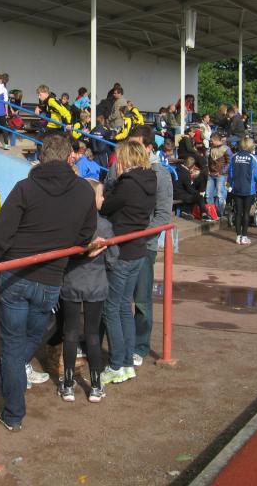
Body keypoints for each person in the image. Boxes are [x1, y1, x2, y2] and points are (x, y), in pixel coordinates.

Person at [0, 133, 97, 431]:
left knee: (13, 346)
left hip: (15, 276)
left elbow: (0, 231)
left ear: (41, 158)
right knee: (28, 340)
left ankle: (11, 410)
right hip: (50, 279)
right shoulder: (84, 191)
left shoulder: (26, 188)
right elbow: (85, 235)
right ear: (69, 158)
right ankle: (1, 390)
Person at [100, 140, 156, 386]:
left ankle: (116, 364)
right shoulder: (150, 180)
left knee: (111, 308)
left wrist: (102, 193)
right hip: (138, 249)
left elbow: (106, 207)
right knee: (124, 306)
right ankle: (126, 363)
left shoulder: (127, 184)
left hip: (122, 251)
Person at [59, 179, 116, 403]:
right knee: (92, 334)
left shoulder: (69, 224)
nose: (103, 198)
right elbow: (113, 259)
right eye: (101, 195)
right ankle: (95, 384)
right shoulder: (105, 226)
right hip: (96, 284)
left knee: (70, 332)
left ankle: (68, 384)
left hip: (72, 283)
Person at [127, 126, 173, 368]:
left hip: (145, 245)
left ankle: (140, 346)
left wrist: (140, 235)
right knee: (116, 298)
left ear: (148, 147)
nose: (131, 150)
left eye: (136, 145)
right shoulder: (121, 168)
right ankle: (122, 344)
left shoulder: (160, 175)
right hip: (121, 243)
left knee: (142, 299)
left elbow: (163, 215)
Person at [228, 137, 257, 245]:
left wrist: (231, 184)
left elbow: (230, 173)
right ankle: (244, 236)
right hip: (249, 188)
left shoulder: (234, 157)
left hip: (236, 187)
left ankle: (238, 236)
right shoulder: (253, 157)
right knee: (246, 212)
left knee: (238, 212)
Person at [206, 132, 230, 218]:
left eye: (211, 140)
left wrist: (221, 172)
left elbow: (229, 162)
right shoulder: (211, 149)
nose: (210, 142)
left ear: (216, 139)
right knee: (208, 195)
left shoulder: (226, 149)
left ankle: (220, 214)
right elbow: (209, 161)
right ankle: (211, 213)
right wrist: (208, 170)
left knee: (220, 195)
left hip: (221, 175)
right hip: (211, 174)